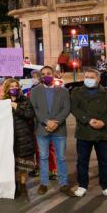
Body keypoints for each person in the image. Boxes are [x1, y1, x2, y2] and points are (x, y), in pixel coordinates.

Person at [71, 69, 107, 200]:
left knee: (104, 162)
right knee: (82, 161)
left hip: (102, 133)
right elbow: (74, 108)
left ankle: (106, 187)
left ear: (98, 79)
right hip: (83, 132)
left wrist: (104, 122)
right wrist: (88, 120)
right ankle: (82, 186)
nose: (88, 79)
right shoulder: (76, 92)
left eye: (92, 77)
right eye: (86, 77)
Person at [27, 66, 74, 196]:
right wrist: (47, 122)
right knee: (43, 157)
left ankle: (64, 184)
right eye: (43, 74)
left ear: (54, 75)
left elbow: (66, 108)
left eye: (48, 73)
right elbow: (35, 109)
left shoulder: (63, 91)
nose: (45, 75)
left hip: (59, 130)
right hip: (42, 130)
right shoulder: (35, 91)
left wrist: (55, 122)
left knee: (61, 158)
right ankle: (44, 183)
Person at [0, 79, 35, 198]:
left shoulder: (25, 100)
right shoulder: (2, 102)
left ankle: (23, 185)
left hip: (23, 136)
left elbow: (30, 115)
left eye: (15, 86)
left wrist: (17, 107)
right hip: (8, 137)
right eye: (11, 86)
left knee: (23, 163)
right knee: (11, 163)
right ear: (6, 89)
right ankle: (14, 185)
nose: (14, 88)